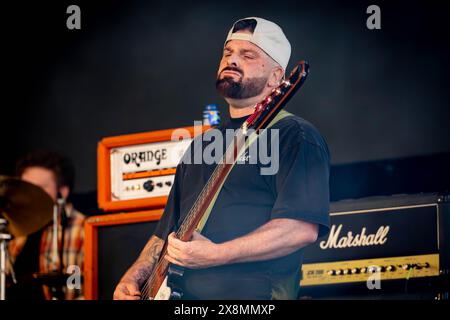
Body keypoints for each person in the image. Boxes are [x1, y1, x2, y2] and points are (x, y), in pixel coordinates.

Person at [114, 17, 330, 300]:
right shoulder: (202, 144)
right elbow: (163, 235)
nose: (232, 60)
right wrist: (133, 278)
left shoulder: (295, 135)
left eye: (247, 54)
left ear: (277, 77)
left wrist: (216, 254)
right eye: (228, 53)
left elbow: (299, 229)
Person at [7, 150, 85, 300]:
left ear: (62, 191)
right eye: (26, 188)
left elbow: (86, 291)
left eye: (39, 188)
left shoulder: (82, 229)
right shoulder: (14, 231)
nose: (30, 195)